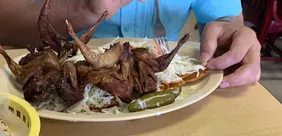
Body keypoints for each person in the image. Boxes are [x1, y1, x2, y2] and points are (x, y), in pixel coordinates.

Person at [0, 0, 261, 88]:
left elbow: (225, 19)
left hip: (171, 102)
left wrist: (233, 32)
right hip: (49, 98)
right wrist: (81, 7)